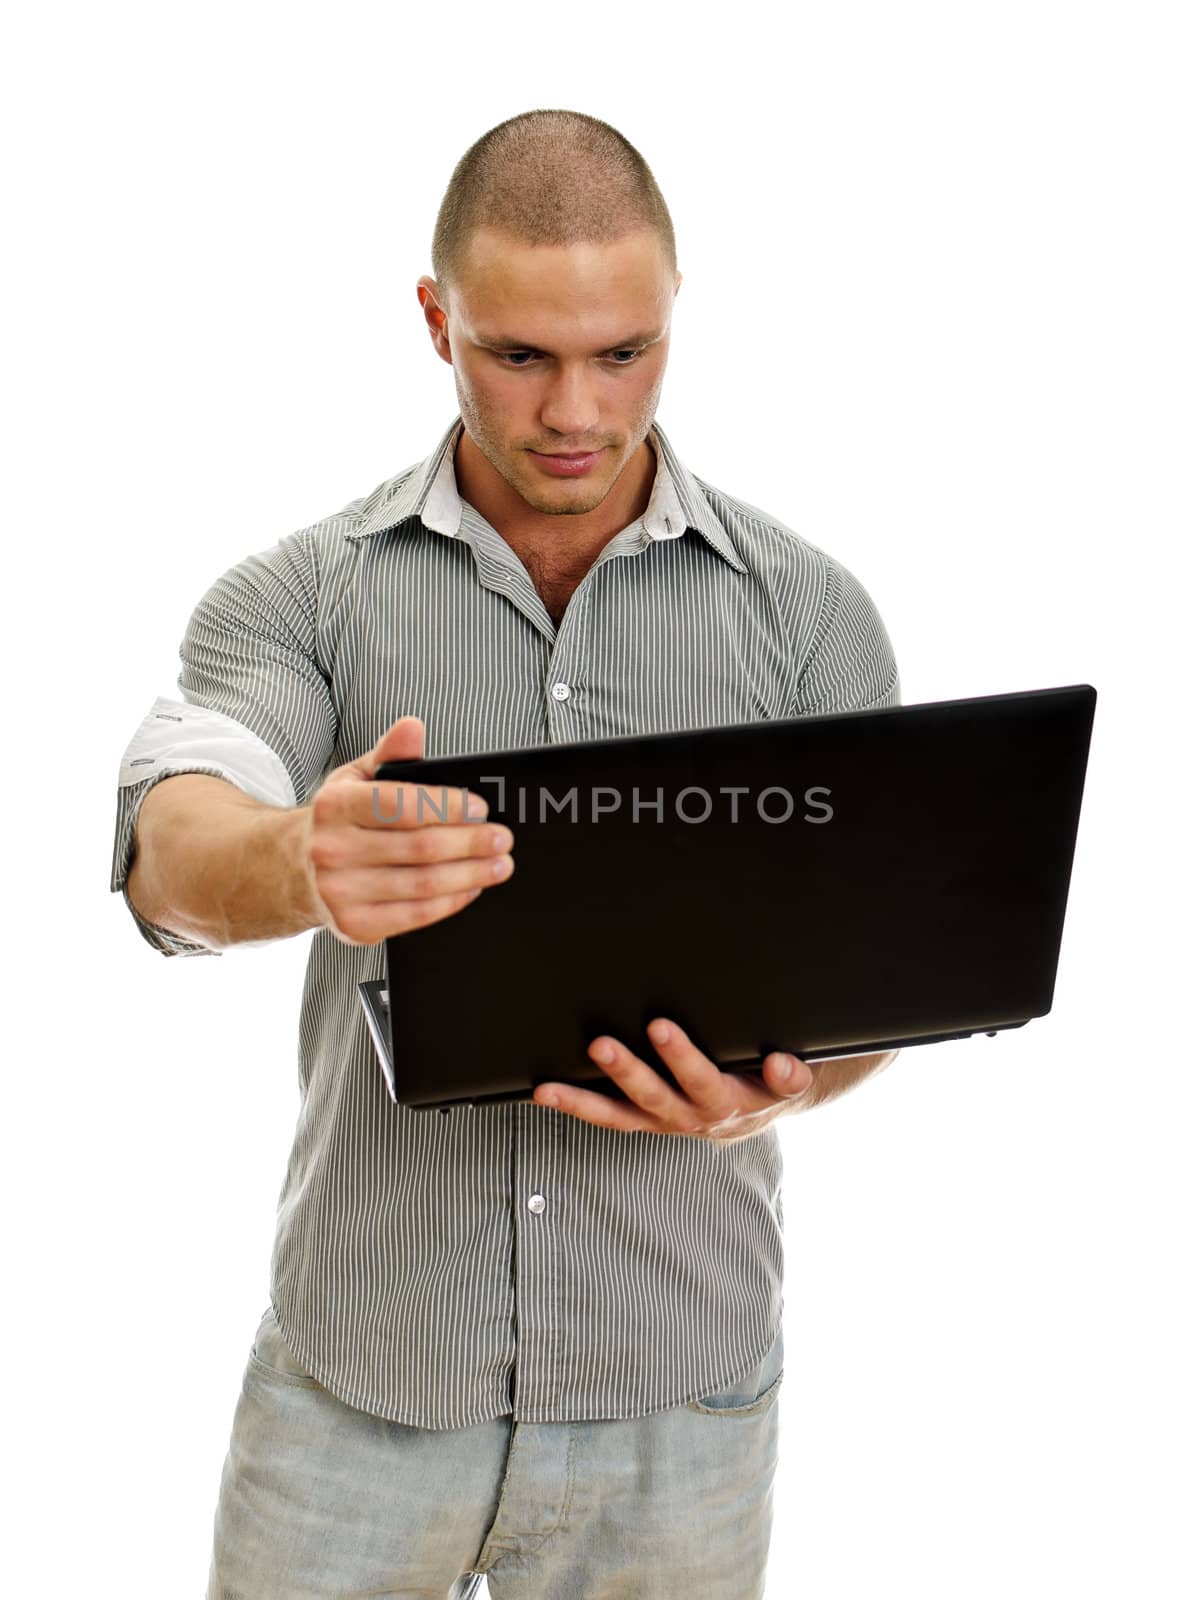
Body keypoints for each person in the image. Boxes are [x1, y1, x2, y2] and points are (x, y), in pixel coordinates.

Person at [110, 107, 901, 1600]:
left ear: (673, 320)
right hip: (360, 1386)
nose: (574, 412)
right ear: (436, 321)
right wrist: (298, 858)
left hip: (677, 1395)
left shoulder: (808, 617)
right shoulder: (306, 597)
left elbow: (865, 989)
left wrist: (779, 1084)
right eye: (518, 354)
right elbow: (176, 830)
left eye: (624, 352)